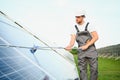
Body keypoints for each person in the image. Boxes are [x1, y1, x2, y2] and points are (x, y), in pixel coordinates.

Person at [65, 10, 99, 80]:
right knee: (82, 70)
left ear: (83, 17)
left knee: (94, 69)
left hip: (91, 50)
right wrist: (69, 46)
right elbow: (72, 40)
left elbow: (96, 37)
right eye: (75, 17)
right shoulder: (73, 28)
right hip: (81, 51)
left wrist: (87, 45)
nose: (76, 19)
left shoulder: (89, 25)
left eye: (78, 17)